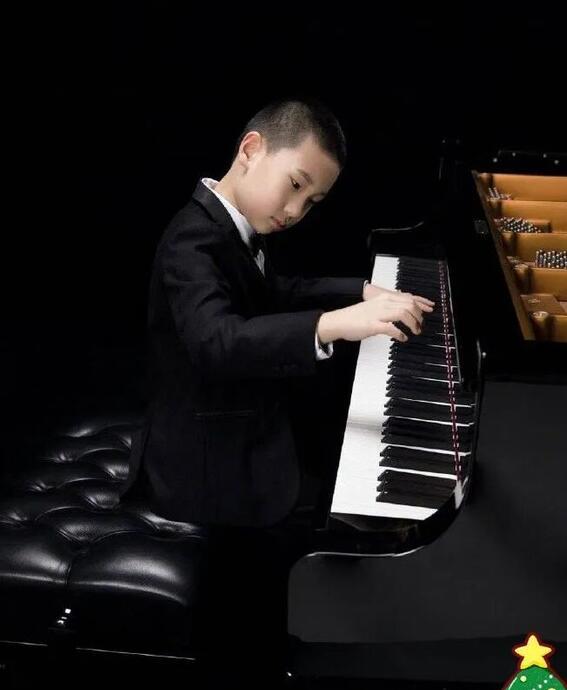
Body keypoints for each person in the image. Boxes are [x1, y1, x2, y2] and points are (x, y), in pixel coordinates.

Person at [124, 97, 434, 686]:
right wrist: (332, 324)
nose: (296, 211)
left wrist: (360, 292)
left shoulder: (231, 225)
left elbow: (274, 292)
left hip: (231, 426)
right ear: (251, 150)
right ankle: (284, 650)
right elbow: (217, 342)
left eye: (312, 202)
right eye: (295, 185)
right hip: (196, 462)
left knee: (329, 470)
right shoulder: (192, 241)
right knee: (303, 539)